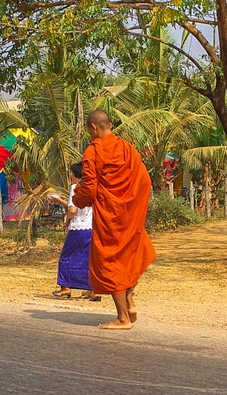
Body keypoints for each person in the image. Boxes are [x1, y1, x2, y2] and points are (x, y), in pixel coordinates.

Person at [72, 110, 156, 330]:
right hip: (128, 214)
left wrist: (77, 199)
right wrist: (132, 206)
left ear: (93, 128)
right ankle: (128, 296)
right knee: (134, 253)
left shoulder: (94, 151)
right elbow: (144, 181)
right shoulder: (127, 148)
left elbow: (89, 189)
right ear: (109, 124)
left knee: (110, 260)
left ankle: (122, 318)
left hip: (109, 215)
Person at [52, 163, 95, 300]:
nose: (70, 176)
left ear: (76, 175)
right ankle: (93, 289)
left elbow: (72, 209)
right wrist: (60, 200)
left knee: (66, 257)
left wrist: (67, 221)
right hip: (90, 228)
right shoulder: (91, 188)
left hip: (77, 228)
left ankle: (66, 287)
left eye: (71, 173)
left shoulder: (75, 188)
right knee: (88, 259)